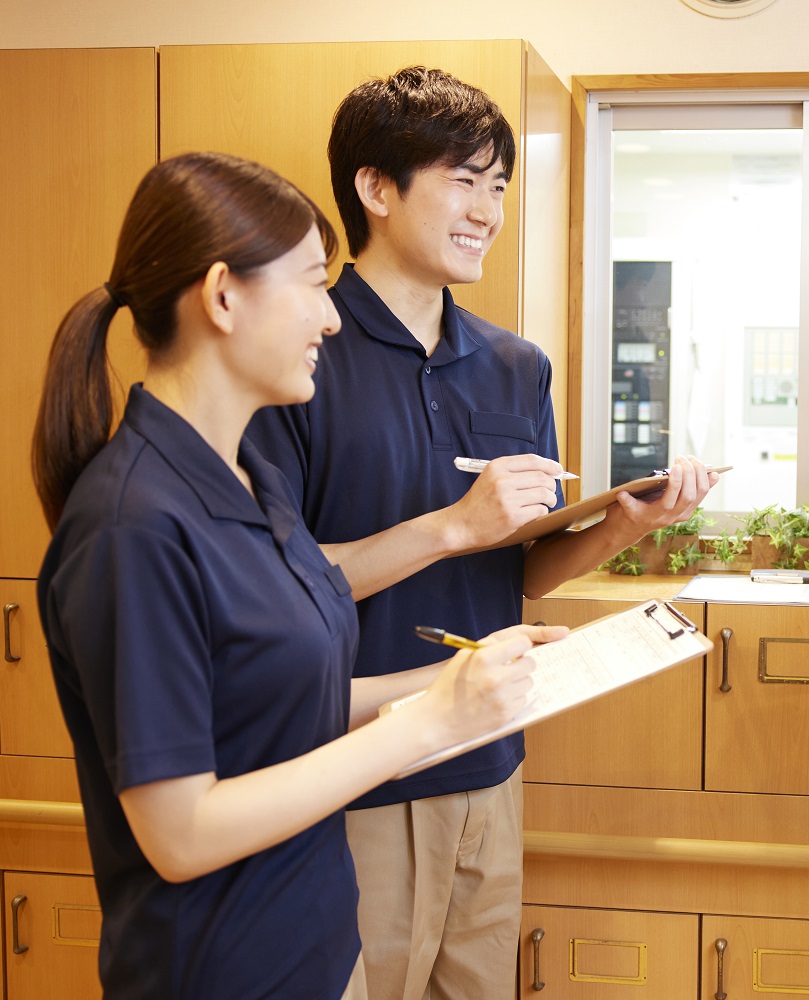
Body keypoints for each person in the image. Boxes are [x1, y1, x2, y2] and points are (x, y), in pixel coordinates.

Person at [32, 151, 562, 1000]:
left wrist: (464, 678)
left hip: (316, 945)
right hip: (220, 972)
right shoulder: (133, 525)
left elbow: (282, 695)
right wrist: (424, 727)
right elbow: (182, 833)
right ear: (222, 296)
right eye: (313, 286)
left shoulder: (251, 482)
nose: (330, 318)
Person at [244, 67, 717, 1000]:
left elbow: (526, 576)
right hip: (353, 765)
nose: (488, 210)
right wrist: (450, 527)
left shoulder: (513, 365)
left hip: (490, 756)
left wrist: (623, 525)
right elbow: (275, 593)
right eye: (463, 179)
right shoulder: (300, 356)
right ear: (376, 188)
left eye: (498, 186)